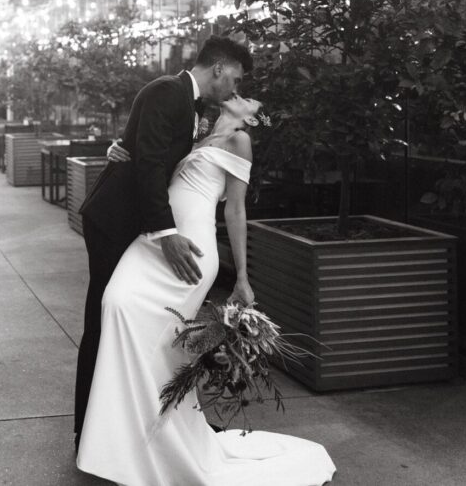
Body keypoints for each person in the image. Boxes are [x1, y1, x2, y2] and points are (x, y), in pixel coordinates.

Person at [77, 94, 336, 485]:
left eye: (250, 98)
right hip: (153, 245)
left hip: (192, 250)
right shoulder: (196, 135)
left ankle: (154, 443)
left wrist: (243, 276)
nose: (240, 94)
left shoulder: (240, 141)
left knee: (161, 345)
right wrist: (119, 150)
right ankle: (124, 437)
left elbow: (235, 209)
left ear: (254, 117)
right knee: (115, 303)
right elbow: (151, 165)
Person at [73, 35, 253, 451]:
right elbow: (151, 162)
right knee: (104, 319)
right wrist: (167, 234)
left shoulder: (194, 111)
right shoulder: (167, 91)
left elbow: (156, 157)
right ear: (219, 68)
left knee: (132, 324)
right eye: (236, 80)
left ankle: (129, 425)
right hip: (116, 223)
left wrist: (124, 146)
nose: (236, 90)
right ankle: (90, 431)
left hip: (143, 227)